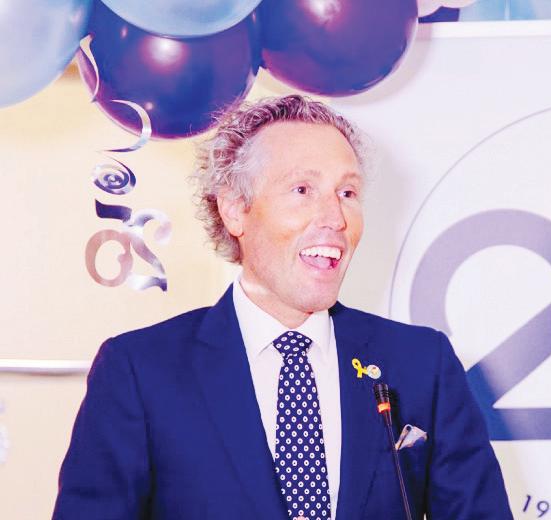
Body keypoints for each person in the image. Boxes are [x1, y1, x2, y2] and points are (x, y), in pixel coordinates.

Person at [53, 95, 513, 520]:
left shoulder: (421, 364)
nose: (335, 218)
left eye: (347, 193)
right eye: (302, 190)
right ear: (235, 210)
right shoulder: (140, 371)